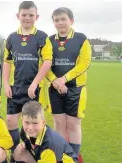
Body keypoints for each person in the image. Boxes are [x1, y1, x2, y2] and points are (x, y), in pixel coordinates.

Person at [3, 1, 52, 150]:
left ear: (36, 17)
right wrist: (6, 84)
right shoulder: (11, 38)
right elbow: (7, 62)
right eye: (24, 15)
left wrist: (35, 83)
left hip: (33, 89)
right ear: (18, 16)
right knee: (11, 121)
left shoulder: (42, 37)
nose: (27, 18)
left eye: (31, 15)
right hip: (15, 87)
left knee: (32, 123)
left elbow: (47, 61)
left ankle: (32, 152)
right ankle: (15, 152)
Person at [46, 7, 91, 156]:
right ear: (53, 23)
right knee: (59, 123)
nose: (60, 23)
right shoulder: (49, 40)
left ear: (71, 20)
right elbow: (44, 64)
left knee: (73, 124)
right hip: (55, 88)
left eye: (63, 19)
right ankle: (60, 155)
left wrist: (64, 79)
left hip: (75, 89)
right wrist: (55, 81)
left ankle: (72, 157)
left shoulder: (81, 38)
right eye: (56, 20)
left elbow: (85, 63)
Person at [13, 101, 78, 163]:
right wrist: (25, 145)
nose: (30, 128)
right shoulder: (25, 131)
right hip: (45, 157)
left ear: (43, 122)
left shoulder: (49, 145)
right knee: (18, 152)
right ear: (22, 120)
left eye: (35, 123)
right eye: (27, 122)